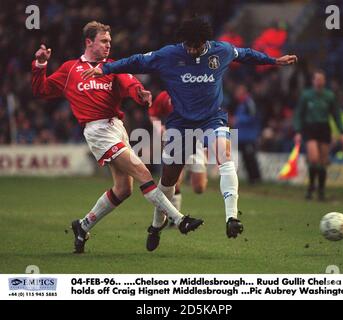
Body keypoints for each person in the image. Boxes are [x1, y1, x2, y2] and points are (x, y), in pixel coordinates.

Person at [82, 17, 297, 250]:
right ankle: (156, 226)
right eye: (190, 45)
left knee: (225, 157)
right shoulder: (169, 55)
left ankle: (231, 218)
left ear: (206, 41)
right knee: (169, 181)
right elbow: (136, 61)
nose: (193, 49)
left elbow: (245, 54)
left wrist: (273, 60)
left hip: (212, 119)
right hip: (180, 124)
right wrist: (105, 68)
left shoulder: (221, 51)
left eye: (198, 45)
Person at [31, 21, 203, 254]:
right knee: (142, 172)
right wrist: (40, 64)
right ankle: (179, 219)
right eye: (103, 41)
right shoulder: (70, 69)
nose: (108, 45)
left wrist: (140, 94)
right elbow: (41, 90)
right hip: (97, 130)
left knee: (123, 189)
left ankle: (82, 226)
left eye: (110, 41)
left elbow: (130, 84)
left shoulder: (112, 67)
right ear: (89, 42)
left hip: (116, 127)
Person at [149, 90, 208, 212]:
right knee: (174, 180)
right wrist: (159, 128)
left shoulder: (197, 92)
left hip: (196, 140)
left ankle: (201, 172)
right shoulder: (165, 95)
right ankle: (173, 217)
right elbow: (153, 113)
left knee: (199, 188)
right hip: (175, 140)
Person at [294, 70, 343, 200]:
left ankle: (321, 191)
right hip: (310, 128)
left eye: (321, 79)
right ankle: (311, 186)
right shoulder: (306, 96)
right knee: (313, 159)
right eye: (317, 79)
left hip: (324, 128)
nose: (319, 82)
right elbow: (298, 114)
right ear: (313, 81)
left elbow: (336, 115)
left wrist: (342, 132)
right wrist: (298, 131)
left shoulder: (329, 96)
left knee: (323, 161)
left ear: (324, 81)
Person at [232, 84, 262, 184]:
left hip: (249, 135)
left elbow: (254, 117)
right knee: (246, 157)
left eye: (238, 91)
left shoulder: (249, 102)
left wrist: (238, 120)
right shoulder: (241, 104)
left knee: (250, 157)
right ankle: (251, 179)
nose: (236, 93)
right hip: (242, 135)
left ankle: (256, 178)